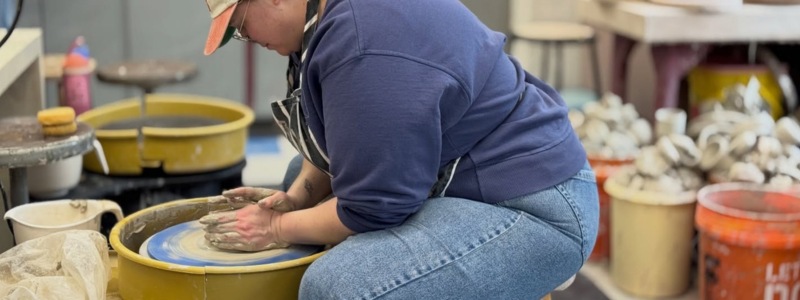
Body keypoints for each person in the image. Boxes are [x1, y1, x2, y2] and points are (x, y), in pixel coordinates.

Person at [198, 0, 599, 298]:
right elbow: (338, 142)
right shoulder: (330, 17)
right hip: (469, 178)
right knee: (296, 185)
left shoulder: (360, 44)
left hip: (537, 208)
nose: (248, 40)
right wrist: (293, 200)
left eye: (241, 27)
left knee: (336, 288)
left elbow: (375, 205)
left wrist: (274, 228)